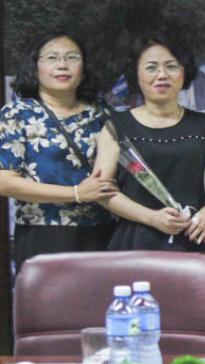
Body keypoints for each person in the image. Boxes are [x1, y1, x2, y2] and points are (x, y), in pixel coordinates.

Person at [0, 32, 117, 270]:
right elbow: (4, 181)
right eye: (52, 58)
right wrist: (75, 193)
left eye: (72, 57)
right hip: (44, 233)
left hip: (103, 232)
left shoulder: (101, 113)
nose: (62, 65)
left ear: (83, 69)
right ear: (35, 67)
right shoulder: (17, 114)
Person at [94, 34, 205, 254]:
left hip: (196, 238)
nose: (162, 75)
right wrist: (151, 217)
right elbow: (101, 191)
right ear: (136, 74)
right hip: (136, 241)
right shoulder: (117, 127)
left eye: (171, 66)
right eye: (151, 67)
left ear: (184, 72)